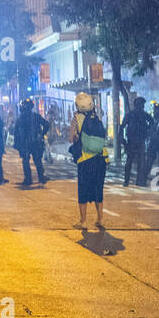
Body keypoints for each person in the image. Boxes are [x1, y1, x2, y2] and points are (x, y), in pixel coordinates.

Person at [71, 92, 108, 229]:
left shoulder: (77, 118)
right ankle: (100, 219)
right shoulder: (97, 118)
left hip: (85, 159)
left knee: (83, 190)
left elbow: (71, 138)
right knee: (98, 189)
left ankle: (83, 222)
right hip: (101, 158)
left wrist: (75, 132)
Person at [12, 98, 49, 186]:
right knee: (37, 161)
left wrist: (17, 144)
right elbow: (46, 124)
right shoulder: (35, 116)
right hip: (34, 143)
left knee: (27, 162)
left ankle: (29, 179)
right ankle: (40, 177)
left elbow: (16, 134)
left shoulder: (20, 119)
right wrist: (42, 134)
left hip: (27, 144)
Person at [120, 96, 152, 186]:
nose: (141, 107)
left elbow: (152, 123)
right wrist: (122, 139)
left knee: (140, 163)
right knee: (130, 162)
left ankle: (138, 181)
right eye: (140, 105)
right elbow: (122, 127)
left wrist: (148, 131)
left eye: (142, 105)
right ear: (136, 105)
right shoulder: (130, 115)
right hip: (131, 142)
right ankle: (127, 181)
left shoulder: (144, 115)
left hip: (140, 142)